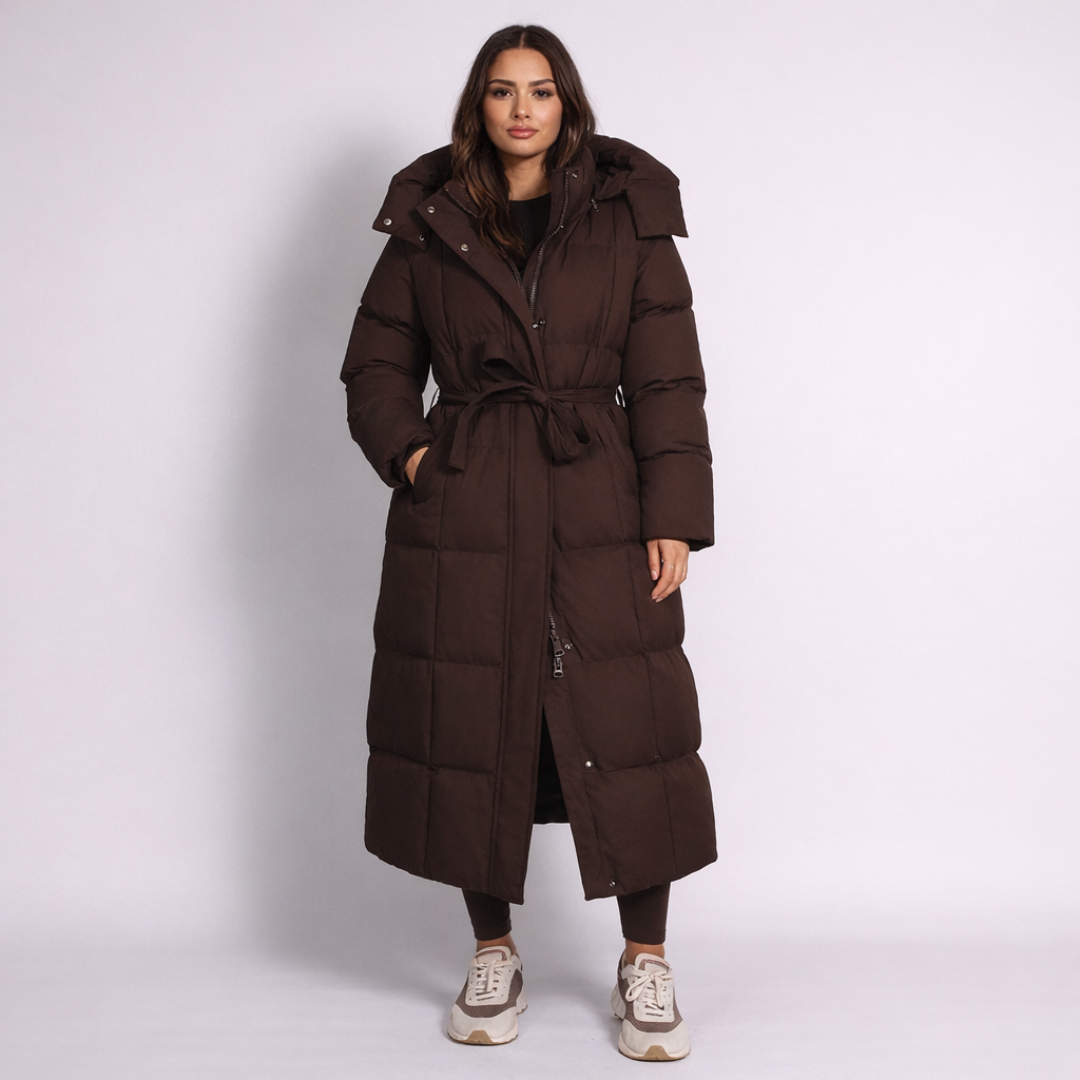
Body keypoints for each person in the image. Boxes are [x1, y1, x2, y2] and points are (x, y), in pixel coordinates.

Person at [340, 24, 715, 1062]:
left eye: (540, 91)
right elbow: (375, 366)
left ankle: (646, 960)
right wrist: (418, 459)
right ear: (480, 104)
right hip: (468, 502)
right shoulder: (431, 218)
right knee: (475, 722)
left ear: (567, 103)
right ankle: (492, 952)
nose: (521, 109)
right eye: (503, 91)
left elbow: (667, 374)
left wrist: (673, 512)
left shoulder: (628, 211)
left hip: (598, 491)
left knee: (630, 722)